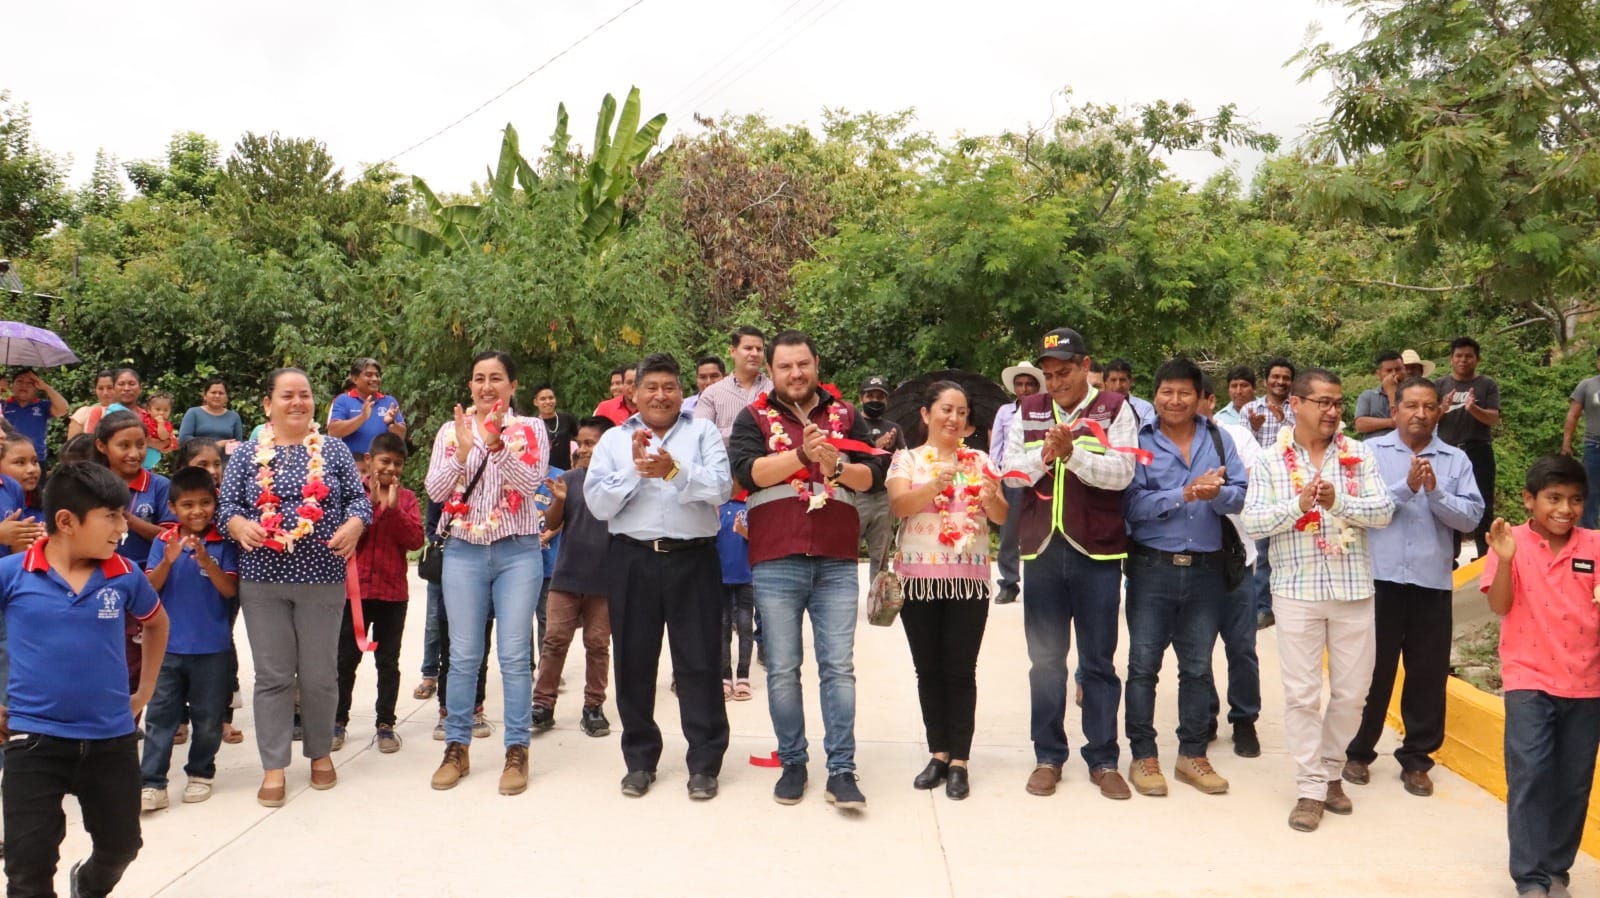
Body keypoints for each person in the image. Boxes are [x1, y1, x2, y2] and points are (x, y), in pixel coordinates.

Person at [728, 330, 889, 810]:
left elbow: (873, 476)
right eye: (785, 367)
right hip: (776, 558)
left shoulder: (846, 415)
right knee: (781, 669)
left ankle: (842, 770)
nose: (795, 374)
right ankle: (794, 763)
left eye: (803, 364)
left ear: (816, 364)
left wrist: (836, 465)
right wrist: (801, 456)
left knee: (838, 668)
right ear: (770, 372)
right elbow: (747, 474)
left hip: (837, 559)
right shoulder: (752, 416)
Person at [0, 462, 170, 898]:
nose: (122, 527)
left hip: (110, 738)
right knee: (27, 866)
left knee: (121, 847)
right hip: (33, 741)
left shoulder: (124, 574)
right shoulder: (13, 573)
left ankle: (88, 886)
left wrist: (145, 691)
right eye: (111, 516)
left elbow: (156, 624)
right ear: (66, 521)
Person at [1242, 368, 1394, 833]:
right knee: (1303, 695)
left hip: (1353, 590)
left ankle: (1331, 771)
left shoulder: (1359, 456)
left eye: (1337, 403)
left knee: (1352, 694)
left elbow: (1384, 511)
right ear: (1298, 406)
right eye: (1323, 402)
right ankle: (1311, 786)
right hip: (1296, 592)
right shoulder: (1271, 461)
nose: (1332, 412)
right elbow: (1253, 522)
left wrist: (1338, 504)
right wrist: (1299, 505)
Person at [220, 367, 371, 807]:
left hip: (322, 576)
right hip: (262, 580)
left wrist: (356, 523)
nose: (297, 402)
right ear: (268, 404)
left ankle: (321, 753)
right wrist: (238, 523)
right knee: (272, 676)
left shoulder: (335, 450)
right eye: (287, 395)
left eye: (304, 395)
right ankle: (273, 765)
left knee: (321, 674)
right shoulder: (248, 454)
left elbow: (359, 499)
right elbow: (226, 504)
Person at [586, 353, 733, 800]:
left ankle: (704, 763)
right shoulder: (614, 439)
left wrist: (672, 470)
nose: (660, 395)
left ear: (681, 391)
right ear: (633, 392)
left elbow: (721, 488)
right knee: (634, 661)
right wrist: (636, 472)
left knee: (701, 661)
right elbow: (597, 504)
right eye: (651, 387)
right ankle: (639, 760)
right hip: (632, 559)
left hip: (694, 559)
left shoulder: (702, 432)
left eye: (669, 387)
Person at [1004, 327, 1139, 802]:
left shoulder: (1117, 409)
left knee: (1098, 661)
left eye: (1064, 372)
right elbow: (1012, 471)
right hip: (1041, 551)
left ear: (1086, 366)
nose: (1055, 383)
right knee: (1044, 661)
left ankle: (1103, 759)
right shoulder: (1027, 410)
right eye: (1048, 374)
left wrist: (1074, 454)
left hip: (1097, 553)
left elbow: (1123, 472)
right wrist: (1048, 452)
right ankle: (1048, 756)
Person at [1344, 378, 1483, 797]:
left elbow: (1471, 518)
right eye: (1411, 406)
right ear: (1396, 409)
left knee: (1426, 674)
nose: (1419, 414)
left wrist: (1436, 492)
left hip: (1431, 582)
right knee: (1371, 671)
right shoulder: (1368, 453)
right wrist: (1406, 487)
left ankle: (1418, 760)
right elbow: (1358, 510)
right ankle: (1357, 751)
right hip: (1378, 580)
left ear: (1439, 411)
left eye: (1428, 407)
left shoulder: (1455, 460)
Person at [423, 351, 549, 796]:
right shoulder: (448, 431)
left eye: (497, 378)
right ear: (470, 385)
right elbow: (436, 491)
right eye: (479, 378)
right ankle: (456, 747)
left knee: (514, 655)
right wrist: (461, 451)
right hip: (463, 551)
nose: (487, 386)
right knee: (463, 654)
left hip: (517, 551)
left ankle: (517, 750)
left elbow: (532, 483)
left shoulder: (531, 428)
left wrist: (495, 444)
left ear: (513, 386)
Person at [1123, 358, 1246, 797]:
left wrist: (1217, 494)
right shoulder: (1138, 440)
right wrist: (1185, 493)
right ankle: (1144, 756)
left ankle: (1192, 756)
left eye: (1184, 393)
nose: (1175, 400)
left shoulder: (1218, 437)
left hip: (1207, 570)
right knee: (1142, 667)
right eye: (1166, 392)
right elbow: (1131, 506)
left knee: (1197, 669)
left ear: (1200, 397)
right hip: (1151, 567)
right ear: (1155, 394)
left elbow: (1241, 495)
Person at [1481, 456, 1600, 898]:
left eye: (1575, 500)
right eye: (1553, 498)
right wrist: (1507, 560)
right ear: (1530, 500)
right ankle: (1530, 879)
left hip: (1588, 683)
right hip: (1529, 678)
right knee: (1530, 776)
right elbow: (1499, 606)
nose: (1565, 509)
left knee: (1573, 783)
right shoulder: (1508, 542)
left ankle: (1556, 871)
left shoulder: (1595, 546)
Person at [885, 382, 1008, 800]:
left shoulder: (981, 460)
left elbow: (1002, 516)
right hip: (917, 580)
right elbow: (900, 507)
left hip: (967, 580)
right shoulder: (907, 460)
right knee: (928, 670)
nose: (953, 419)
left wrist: (991, 498)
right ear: (926, 415)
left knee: (960, 670)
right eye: (945, 410)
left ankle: (960, 761)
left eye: (960, 411)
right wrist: (933, 485)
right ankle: (938, 752)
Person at [139, 466, 240, 811]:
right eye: (187, 505)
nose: (197, 511)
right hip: (166, 650)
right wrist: (167, 562)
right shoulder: (162, 541)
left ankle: (201, 771)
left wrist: (206, 560)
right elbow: (150, 588)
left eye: (205, 502)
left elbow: (228, 590)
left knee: (209, 717)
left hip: (212, 649)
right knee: (160, 718)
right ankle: (152, 782)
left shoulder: (224, 543)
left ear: (215, 502)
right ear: (172, 508)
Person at [334, 432, 423, 755]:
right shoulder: (351, 496)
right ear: (369, 461)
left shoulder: (408, 499)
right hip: (353, 594)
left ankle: (385, 723)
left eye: (398, 464)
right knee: (345, 660)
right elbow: (343, 539)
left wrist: (395, 510)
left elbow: (415, 541)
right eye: (385, 461)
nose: (391, 469)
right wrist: (370, 505)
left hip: (392, 593)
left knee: (388, 662)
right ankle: (338, 720)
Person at [531, 417, 615, 737]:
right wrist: (560, 500)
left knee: (597, 644)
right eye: (579, 443)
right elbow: (551, 522)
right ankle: (543, 705)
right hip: (565, 577)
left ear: (607, 446)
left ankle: (593, 707)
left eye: (590, 443)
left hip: (604, 581)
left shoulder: (618, 483)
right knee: (554, 641)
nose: (582, 449)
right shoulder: (568, 479)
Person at [1197, 376, 1263, 758]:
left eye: (1194, 396)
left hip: (1240, 557)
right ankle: (1203, 714)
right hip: (1195, 559)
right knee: (1197, 647)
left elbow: (1255, 483)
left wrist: (1219, 489)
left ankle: (1244, 720)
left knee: (1242, 646)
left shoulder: (1236, 437)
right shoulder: (1169, 439)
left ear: (1209, 399)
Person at [1435, 336, 1500, 558]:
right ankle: (1450, 556)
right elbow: (1428, 418)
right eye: (1459, 356)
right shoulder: (1440, 385)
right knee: (1446, 501)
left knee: (1483, 501)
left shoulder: (1487, 384)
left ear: (1477, 359)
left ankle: (1485, 555)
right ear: (1451, 359)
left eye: (1468, 356)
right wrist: (1441, 409)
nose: (1463, 360)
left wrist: (1474, 410)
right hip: (1446, 451)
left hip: (1478, 449)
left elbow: (1493, 418)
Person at [1246, 358, 1297, 627]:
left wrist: (1286, 420)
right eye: (1275, 377)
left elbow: (1306, 440)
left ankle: (1287, 605)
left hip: (1295, 487)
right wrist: (1254, 429)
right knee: (1263, 551)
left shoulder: (1300, 408)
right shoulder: (1250, 409)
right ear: (1265, 380)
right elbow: (1240, 447)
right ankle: (1262, 608)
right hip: (1264, 486)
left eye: (1285, 378)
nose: (1280, 382)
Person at [991, 360, 1043, 605]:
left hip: (1039, 477)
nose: (1024, 389)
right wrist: (994, 478)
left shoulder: (1045, 410)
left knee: (1039, 531)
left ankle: (1038, 583)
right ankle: (1009, 583)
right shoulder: (1004, 412)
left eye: (1029, 384)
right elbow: (996, 448)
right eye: (1020, 384)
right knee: (1009, 533)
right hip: (1011, 479)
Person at [855, 374, 904, 584]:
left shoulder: (894, 427)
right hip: (856, 496)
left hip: (884, 496)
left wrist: (895, 455)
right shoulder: (852, 423)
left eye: (880, 397)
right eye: (870, 396)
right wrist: (876, 447)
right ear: (861, 398)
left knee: (881, 555)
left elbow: (903, 458)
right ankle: (846, 600)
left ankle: (877, 604)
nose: (875, 400)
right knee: (846, 554)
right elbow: (845, 456)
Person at [695, 326, 771, 442]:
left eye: (759, 349)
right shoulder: (712, 394)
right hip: (726, 459)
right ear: (732, 351)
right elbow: (700, 435)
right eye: (748, 348)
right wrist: (743, 431)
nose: (755, 353)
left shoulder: (776, 390)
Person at [326, 358, 407, 458]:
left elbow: (401, 436)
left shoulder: (389, 401)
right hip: (353, 467)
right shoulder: (343, 400)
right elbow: (333, 432)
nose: (375, 379)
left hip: (381, 468)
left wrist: (391, 423)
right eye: (369, 375)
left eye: (377, 375)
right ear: (355, 379)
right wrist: (362, 417)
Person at [717, 493, 754, 702]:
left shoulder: (749, 506)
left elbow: (760, 538)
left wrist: (743, 531)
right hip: (720, 578)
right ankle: (724, 677)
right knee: (722, 627)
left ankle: (743, 676)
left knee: (745, 626)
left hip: (746, 577)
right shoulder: (716, 507)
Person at [1561, 346, 1600, 529]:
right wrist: (1566, 443)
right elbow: (1573, 416)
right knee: (1590, 494)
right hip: (1594, 446)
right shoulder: (1587, 385)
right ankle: (1590, 541)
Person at [2, 368, 69, 464]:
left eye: (30, 383)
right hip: (6, 460)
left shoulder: (42, 406)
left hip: (36, 460)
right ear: (12, 385)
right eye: (19, 381)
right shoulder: (3, 405)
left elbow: (63, 409)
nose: (24, 385)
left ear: (37, 387)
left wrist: (45, 387)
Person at [178, 378, 244, 450]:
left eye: (221, 393)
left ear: (226, 398)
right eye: (213, 392)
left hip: (226, 460)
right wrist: (214, 445)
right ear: (205, 396)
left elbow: (238, 443)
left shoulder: (234, 417)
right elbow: (183, 439)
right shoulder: (193, 413)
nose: (217, 396)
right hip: (197, 458)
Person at [1353, 350, 1405, 439]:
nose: (1394, 374)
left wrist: (1392, 393)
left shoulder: (1412, 395)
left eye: (1398, 369)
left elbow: (1404, 424)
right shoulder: (1368, 396)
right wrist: (1392, 422)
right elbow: (1360, 425)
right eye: (1389, 371)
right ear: (1379, 374)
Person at [533, 384, 577, 470]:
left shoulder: (567, 419)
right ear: (535, 402)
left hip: (566, 472)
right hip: (543, 474)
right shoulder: (533, 424)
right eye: (543, 399)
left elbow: (579, 439)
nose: (548, 402)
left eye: (551, 398)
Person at [1103, 358, 1156, 427]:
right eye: (1113, 380)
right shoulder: (1098, 408)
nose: (1118, 385)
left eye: (1122, 380)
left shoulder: (1145, 408)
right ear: (1106, 382)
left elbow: (1148, 435)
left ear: (1131, 381)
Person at [66, 369, 115, 439]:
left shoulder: (126, 412)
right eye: (100, 388)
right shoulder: (83, 413)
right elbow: (71, 446)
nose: (105, 393)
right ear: (95, 390)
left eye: (110, 388)